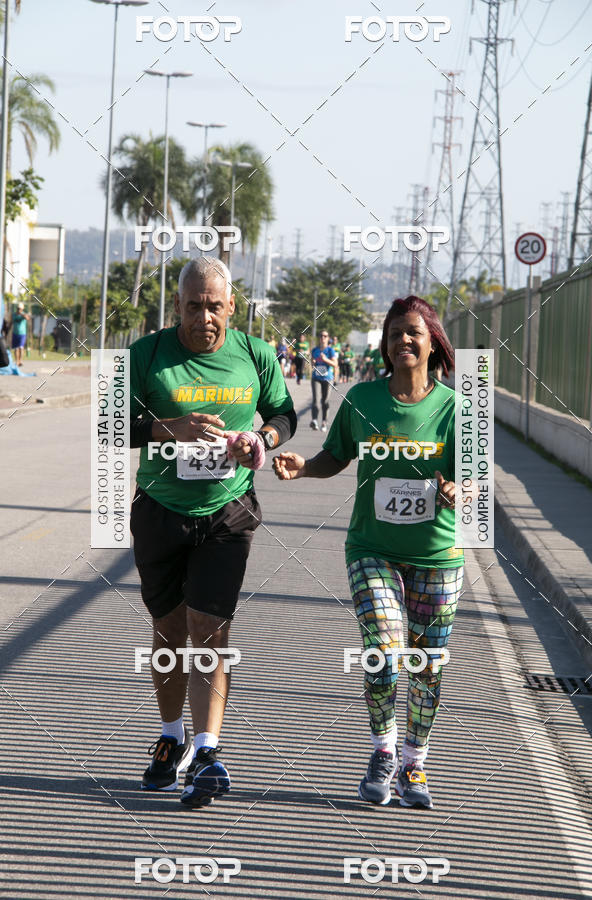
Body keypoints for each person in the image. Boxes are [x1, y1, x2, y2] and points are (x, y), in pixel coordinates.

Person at [274, 296, 462, 810]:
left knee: (427, 665)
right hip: (371, 548)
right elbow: (337, 455)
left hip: (437, 554)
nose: (404, 339)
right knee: (384, 649)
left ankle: (414, 763)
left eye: (414, 332)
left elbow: (476, 475)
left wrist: (458, 489)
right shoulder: (362, 400)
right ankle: (382, 749)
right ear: (384, 341)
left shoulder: (454, 408)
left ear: (432, 344)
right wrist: (303, 468)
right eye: (396, 331)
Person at [129, 257, 296, 807]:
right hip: (160, 510)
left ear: (232, 306)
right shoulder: (146, 355)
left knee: (209, 629)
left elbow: (282, 412)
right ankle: (171, 734)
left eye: (215, 306)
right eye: (194, 306)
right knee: (168, 628)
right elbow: (108, 425)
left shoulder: (256, 354)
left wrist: (263, 439)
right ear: (177, 305)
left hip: (228, 510)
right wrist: (163, 428)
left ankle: (207, 751)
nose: (206, 317)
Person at [310, 329, 336, 432]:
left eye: (325, 336)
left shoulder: (330, 350)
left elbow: (335, 364)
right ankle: (314, 421)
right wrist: (313, 362)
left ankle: (324, 421)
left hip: (327, 378)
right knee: (316, 399)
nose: (323, 338)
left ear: (328, 338)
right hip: (316, 377)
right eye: (321, 336)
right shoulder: (315, 350)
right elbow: (312, 364)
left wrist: (325, 360)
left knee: (325, 401)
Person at [10, 302, 30, 367]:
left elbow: (27, 318)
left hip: (22, 333)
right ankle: (17, 361)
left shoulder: (23, 314)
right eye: (18, 308)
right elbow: (12, 320)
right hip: (15, 333)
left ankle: (20, 361)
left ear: (22, 309)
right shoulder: (14, 315)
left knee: (21, 347)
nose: (19, 310)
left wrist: (22, 315)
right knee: (16, 348)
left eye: (20, 309)